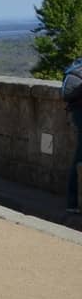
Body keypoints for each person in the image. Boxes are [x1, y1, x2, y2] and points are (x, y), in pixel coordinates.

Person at [63, 59, 82, 214]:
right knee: (80, 158)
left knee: (80, 156)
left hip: (77, 112)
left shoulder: (77, 65)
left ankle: (73, 202)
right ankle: (73, 201)